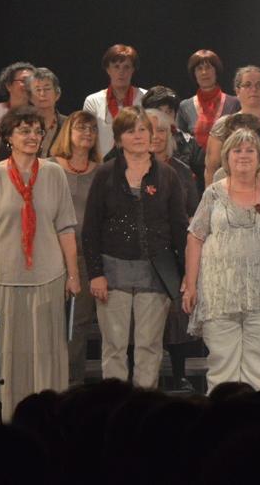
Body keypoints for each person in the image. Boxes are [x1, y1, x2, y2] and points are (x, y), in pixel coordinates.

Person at [182, 127, 260, 391]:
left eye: (250, 150)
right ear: (227, 157)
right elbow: (195, 237)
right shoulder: (213, 193)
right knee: (222, 367)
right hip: (219, 294)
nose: (244, 155)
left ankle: (258, 415)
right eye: (237, 150)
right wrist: (190, 286)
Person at [82, 107, 188, 389]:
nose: (139, 136)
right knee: (114, 346)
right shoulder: (105, 174)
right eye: (131, 131)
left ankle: (144, 406)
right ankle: (114, 405)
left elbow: (179, 228)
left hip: (156, 272)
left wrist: (187, 273)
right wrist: (95, 273)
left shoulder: (167, 175)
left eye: (143, 129)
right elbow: (90, 229)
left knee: (149, 346)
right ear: (119, 139)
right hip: (112, 272)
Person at [0, 106, 80, 420]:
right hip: (4, 278)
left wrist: (73, 275)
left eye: (37, 131)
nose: (32, 136)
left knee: (47, 351)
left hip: (48, 276)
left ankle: (48, 418)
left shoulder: (54, 173)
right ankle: (9, 419)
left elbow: (65, 227)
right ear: (9, 137)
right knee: (9, 353)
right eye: (24, 131)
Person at [145, 107, 200, 391]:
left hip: (174, 252)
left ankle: (178, 375)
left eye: (162, 131)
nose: (156, 136)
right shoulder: (124, 167)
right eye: (150, 130)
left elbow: (194, 213)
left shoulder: (181, 171)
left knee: (176, 317)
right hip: (139, 253)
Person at [49, 110, 101, 385]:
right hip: (50, 256)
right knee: (49, 323)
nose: (87, 133)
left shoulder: (101, 171)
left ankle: (72, 385)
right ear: (68, 131)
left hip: (85, 257)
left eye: (92, 129)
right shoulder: (49, 167)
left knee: (77, 326)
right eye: (81, 127)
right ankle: (48, 382)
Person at [205, 66, 260, 185]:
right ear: (237, 90)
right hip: (232, 192)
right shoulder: (224, 125)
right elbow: (211, 168)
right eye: (247, 85)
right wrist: (211, 195)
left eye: (259, 85)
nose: (254, 89)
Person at [83, 45, 146, 158]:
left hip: (138, 162)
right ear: (108, 69)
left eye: (126, 67)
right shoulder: (93, 101)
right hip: (102, 164)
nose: (121, 72)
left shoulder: (145, 98)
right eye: (116, 67)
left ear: (133, 70)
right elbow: (87, 137)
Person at [176, 49, 240, 155]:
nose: (204, 72)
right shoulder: (185, 106)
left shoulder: (234, 103)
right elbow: (180, 144)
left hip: (227, 162)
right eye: (199, 69)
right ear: (194, 74)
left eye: (208, 67)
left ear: (216, 71)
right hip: (194, 164)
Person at [143, 86, 205, 189]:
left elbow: (202, 180)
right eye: (158, 111)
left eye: (169, 111)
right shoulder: (136, 140)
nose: (164, 116)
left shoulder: (189, 143)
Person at [20, 67, 66, 159]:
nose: (42, 94)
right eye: (37, 90)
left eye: (47, 89)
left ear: (57, 94)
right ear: (30, 97)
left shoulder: (69, 124)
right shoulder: (18, 124)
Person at [0, 61, 36, 152]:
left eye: (32, 81)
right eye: (24, 80)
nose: (29, 85)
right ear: (8, 85)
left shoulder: (39, 114)